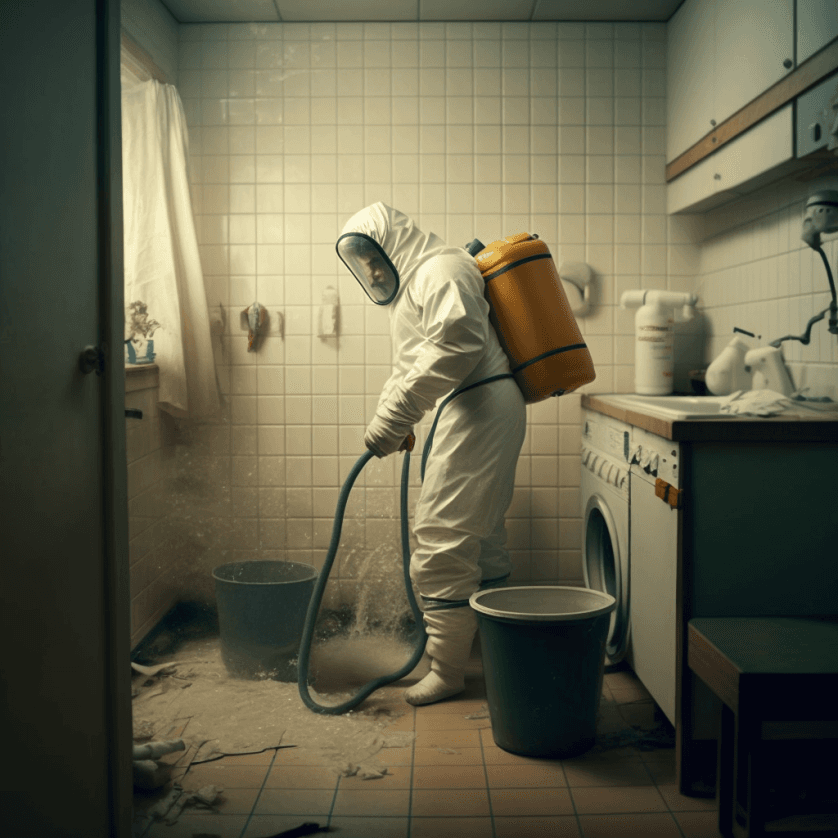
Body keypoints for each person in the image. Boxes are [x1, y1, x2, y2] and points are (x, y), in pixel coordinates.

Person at [336, 203, 527, 706]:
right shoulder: (422, 282)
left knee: (443, 535)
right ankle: (492, 651)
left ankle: (448, 670)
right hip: (476, 406)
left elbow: (458, 344)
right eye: (365, 266)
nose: (374, 273)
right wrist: (388, 418)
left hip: (481, 405)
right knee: (479, 536)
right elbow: (411, 366)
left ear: (394, 242)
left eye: (375, 259)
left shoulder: (441, 268)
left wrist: (396, 416)